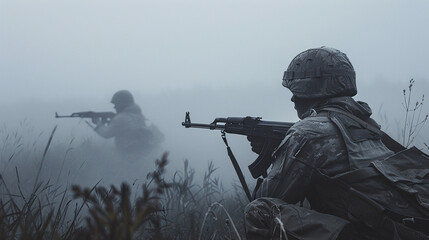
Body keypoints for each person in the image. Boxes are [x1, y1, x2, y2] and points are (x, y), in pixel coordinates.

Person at [245, 47, 429, 240]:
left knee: (258, 212)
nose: (292, 98)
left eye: (296, 90)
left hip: (373, 232)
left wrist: (279, 156)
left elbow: (269, 196)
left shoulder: (307, 133)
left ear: (312, 88)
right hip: (402, 228)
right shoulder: (366, 125)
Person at [93, 90, 154, 154]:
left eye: (116, 104)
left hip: (127, 154)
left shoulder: (121, 118)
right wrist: (110, 123)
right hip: (140, 152)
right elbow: (125, 130)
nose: (114, 107)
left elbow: (106, 134)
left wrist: (97, 122)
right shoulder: (138, 115)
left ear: (122, 104)